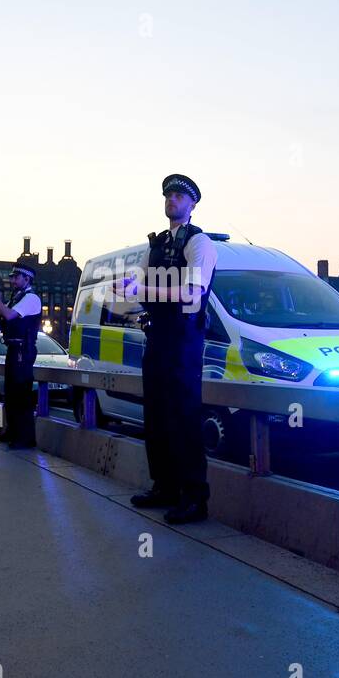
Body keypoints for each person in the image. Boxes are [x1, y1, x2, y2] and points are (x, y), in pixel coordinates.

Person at [125, 174, 218, 525]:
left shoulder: (199, 243)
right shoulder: (159, 243)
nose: (171, 200)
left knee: (183, 416)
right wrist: (133, 286)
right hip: (159, 337)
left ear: (192, 205)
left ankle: (194, 497)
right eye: (168, 195)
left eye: (179, 195)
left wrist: (146, 290)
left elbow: (192, 294)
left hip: (184, 340)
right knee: (157, 414)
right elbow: (146, 285)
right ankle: (164, 485)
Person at [0, 261, 43, 448]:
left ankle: (24, 437)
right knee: (10, 393)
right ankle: (12, 432)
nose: (13, 280)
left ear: (27, 278)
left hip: (22, 350)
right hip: (13, 348)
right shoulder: (16, 297)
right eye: (13, 277)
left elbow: (9, 315)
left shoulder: (31, 298)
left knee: (21, 392)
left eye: (16, 277)